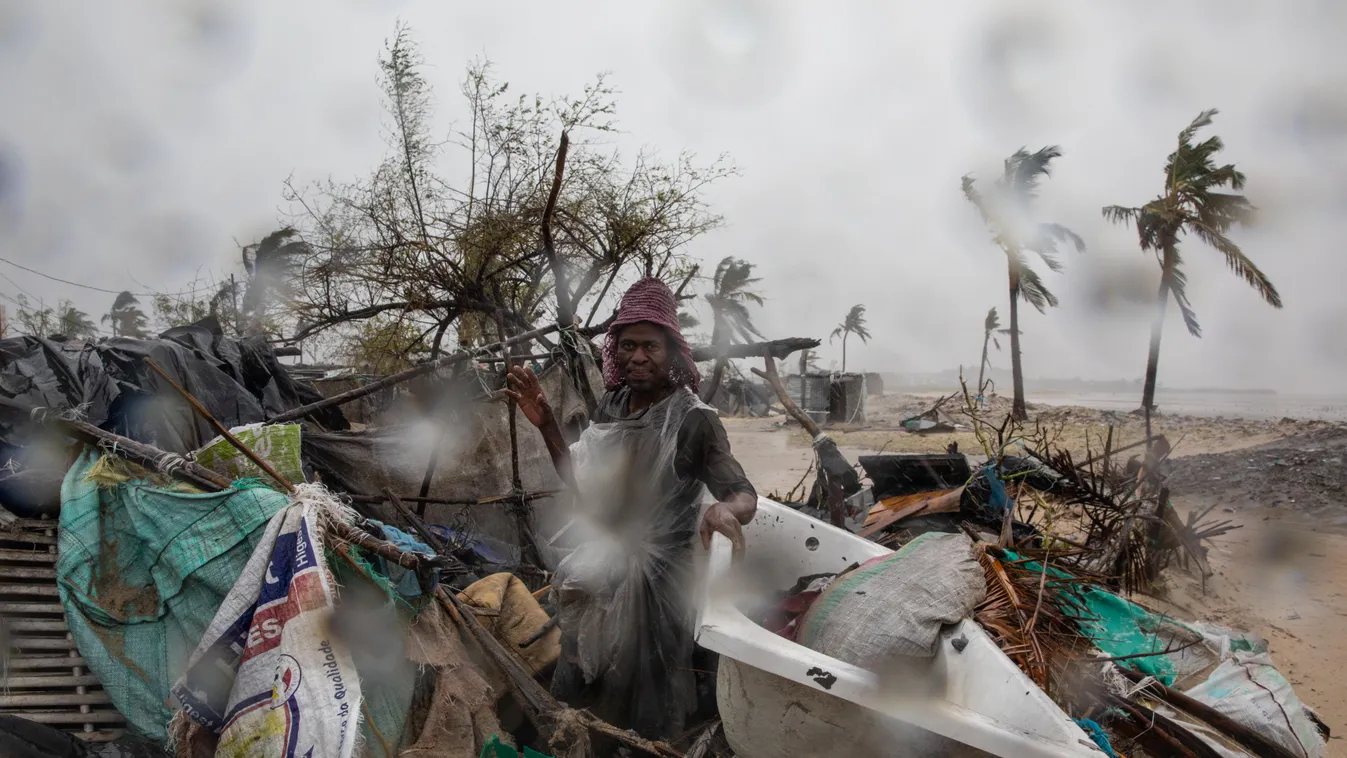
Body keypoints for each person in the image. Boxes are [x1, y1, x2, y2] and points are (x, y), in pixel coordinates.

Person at [505, 276, 757, 741]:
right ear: (614, 350)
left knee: (648, 692)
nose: (637, 357)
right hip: (604, 565)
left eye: (650, 347)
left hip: (661, 583)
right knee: (586, 675)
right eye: (627, 345)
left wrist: (726, 511)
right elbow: (585, 485)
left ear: (673, 354)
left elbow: (743, 492)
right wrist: (546, 426)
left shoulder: (695, 421)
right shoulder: (614, 404)